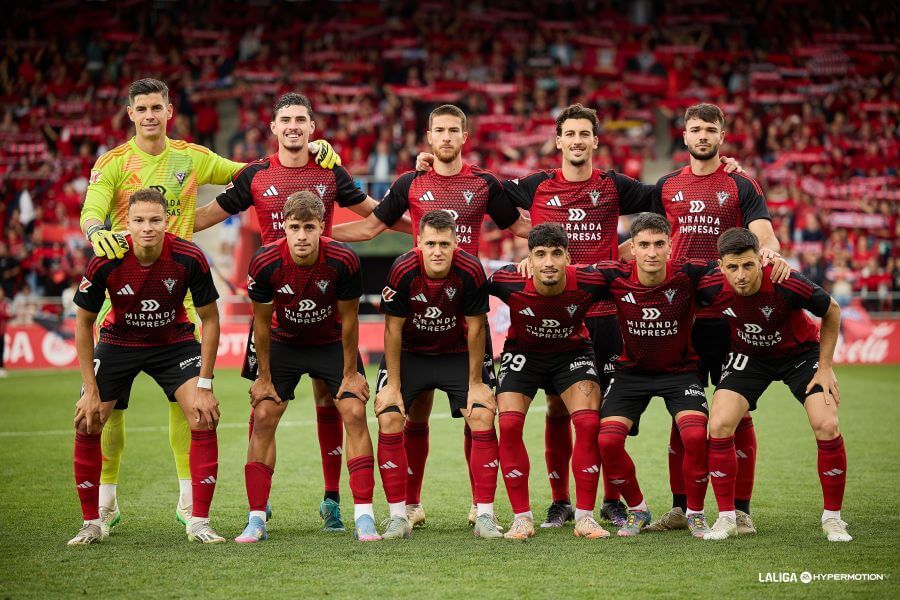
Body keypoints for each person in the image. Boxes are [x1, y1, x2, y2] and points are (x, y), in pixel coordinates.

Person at [81, 81, 341, 532]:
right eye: (141, 108)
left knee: (187, 406)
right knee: (109, 411)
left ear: (169, 111)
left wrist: (307, 150)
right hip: (121, 297)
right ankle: (106, 502)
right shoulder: (114, 163)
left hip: (180, 291)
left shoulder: (193, 156)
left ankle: (188, 503)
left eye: (156, 108)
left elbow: (258, 173)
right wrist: (92, 231)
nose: (149, 115)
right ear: (130, 113)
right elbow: (92, 209)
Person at [194, 91, 394, 531]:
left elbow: (374, 214)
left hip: (324, 303)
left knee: (335, 401)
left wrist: (422, 219)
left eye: (301, 119)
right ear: (273, 127)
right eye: (286, 119)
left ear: (311, 127)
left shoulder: (328, 170)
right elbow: (211, 213)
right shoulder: (257, 174)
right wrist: (159, 226)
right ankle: (258, 507)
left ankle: (332, 499)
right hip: (275, 305)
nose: (293, 126)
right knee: (263, 406)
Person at [333, 104, 530, 528]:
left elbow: (521, 228)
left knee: (476, 412)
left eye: (452, 130)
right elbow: (370, 229)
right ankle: (412, 505)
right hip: (418, 320)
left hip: (465, 314)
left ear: (465, 136)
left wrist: (569, 241)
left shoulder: (483, 184)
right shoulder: (410, 182)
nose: (445, 137)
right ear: (428, 136)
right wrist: (317, 232)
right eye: (438, 130)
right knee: (413, 412)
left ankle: (482, 508)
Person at [641, 103, 784, 534]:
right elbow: (644, 235)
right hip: (680, 315)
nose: (702, 136)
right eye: (695, 129)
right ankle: (682, 507)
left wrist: (769, 250)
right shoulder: (667, 186)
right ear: (683, 136)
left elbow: (761, 230)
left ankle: (739, 508)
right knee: (681, 410)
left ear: (722, 135)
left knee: (736, 412)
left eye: (710, 129)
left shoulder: (741, 183)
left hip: (728, 315)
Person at [68, 189, 223, 545]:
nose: (147, 228)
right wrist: (90, 391)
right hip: (119, 342)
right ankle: (92, 522)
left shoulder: (189, 257)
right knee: (87, 419)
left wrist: (205, 384)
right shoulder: (105, 259)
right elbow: (81, 324)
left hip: (174, 343)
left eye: (155, 220)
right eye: (139, 221)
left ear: (167, 222)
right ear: (127, 223)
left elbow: (210, 319)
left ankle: (198, 520)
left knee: (203, 415)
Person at [234, 191, 379, 543]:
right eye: (295, 227)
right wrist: (264, 379)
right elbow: (263, 325)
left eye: (309, 227)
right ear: (283, 226)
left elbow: (349, 319)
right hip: (284, 342)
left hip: (328, 341)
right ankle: (256, 518)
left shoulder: (343, 260)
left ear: (322, 228)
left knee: (355, 411)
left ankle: (364, 515)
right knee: (265, 414)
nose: (301, 235)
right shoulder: (265, 261)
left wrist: (350, 373)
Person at [698, 228, 849, 542]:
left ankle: (833, 519)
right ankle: (727, 517)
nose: (740, 275)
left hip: (799, 354)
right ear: (720, 265)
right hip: (748, 355)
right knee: (720, 423)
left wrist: (825, 367)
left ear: (760, 261)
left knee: (827, 424)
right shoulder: (710, 284)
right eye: (733, 267)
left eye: (748, 265)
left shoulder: (784, 280)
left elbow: (832, 308)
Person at [594, 213, 725, 538]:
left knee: (695, 437)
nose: (651, 252)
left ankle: (694, 513)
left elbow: (736, 274)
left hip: (680, 372)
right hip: (631, 373)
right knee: (607, 441)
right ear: (632, 249)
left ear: (670, 246)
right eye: (644, 245)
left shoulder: (691, 273)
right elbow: (565, 277)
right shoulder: (614, 275)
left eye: (658, 244)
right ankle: (637, 509)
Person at [375, 210, 501, 539]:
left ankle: (485, 513)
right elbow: (392, 329)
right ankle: (400, 515)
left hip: (457, 353)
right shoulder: (403, 269)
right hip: (411, 353)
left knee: (482, 413)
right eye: (430, 243)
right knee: (390, 416)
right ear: (418, 243)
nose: (437, 251)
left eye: (444, 243)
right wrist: (394, 386)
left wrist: (476, 384)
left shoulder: (471, 269)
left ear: (456, 243)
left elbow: (476, 329)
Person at [488, 223, 607, 540]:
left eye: (556, 253)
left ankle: (584, 517)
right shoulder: (508, 279)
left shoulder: (589, 279)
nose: (549, 262)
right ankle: (521, 518)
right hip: (524, 355)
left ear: (568, 256)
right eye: (540, 254)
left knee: (587, 424)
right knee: (510, 425)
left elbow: (632, 280)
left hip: (572, 353)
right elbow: (467, 294)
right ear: (529, 258)